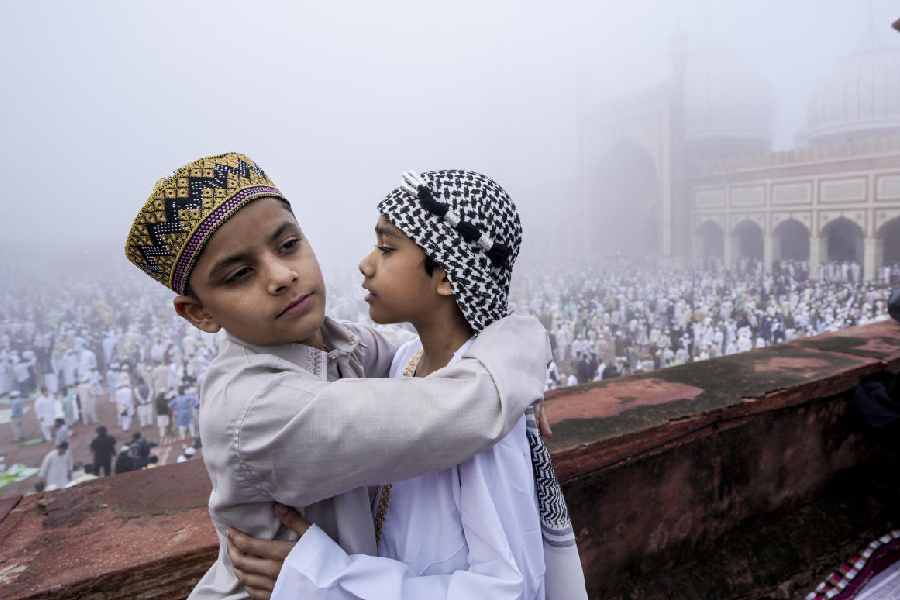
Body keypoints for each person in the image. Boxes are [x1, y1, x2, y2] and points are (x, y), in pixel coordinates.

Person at [123, 153, 551, 600]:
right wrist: (522, 342)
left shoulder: (331, 343)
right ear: (200, 313)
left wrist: (495, 357)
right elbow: (461, 411)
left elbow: (419, 357)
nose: (282, 276)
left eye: (287, 245)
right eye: (239, 274)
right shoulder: (253, 408)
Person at [231, 169, 586, 599]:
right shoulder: (405, 361)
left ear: (447, 276)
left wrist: (330, 581)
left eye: (386, 248)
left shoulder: (488, 423)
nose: (365, 264)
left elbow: (508, 589)